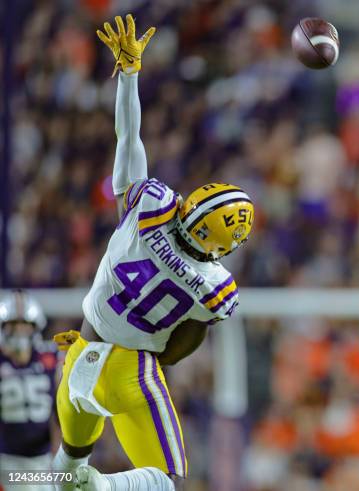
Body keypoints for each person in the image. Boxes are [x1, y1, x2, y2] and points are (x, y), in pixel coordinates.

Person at [51, 15, 254, 491]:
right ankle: (104, 485)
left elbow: (129, 140)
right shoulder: (215, 286)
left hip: (82, 353)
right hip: (133, 373)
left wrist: (129, 75)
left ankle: (77, 477)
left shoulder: (153, 208)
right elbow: (183, 345)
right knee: (168, 481)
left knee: (64, 468)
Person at [0, 290, 57, 491]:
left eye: (24, 326)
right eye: (13, 325)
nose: (19, 332)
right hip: (6, 460)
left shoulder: (50, 359)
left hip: (42, 461)